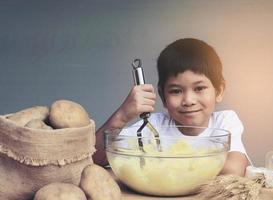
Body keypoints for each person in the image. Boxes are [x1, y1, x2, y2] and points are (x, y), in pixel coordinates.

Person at [93, 38, 249, 176]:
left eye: (199, 88)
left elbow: (233, 169)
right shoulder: (153, 126)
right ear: (163, 97)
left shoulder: (225, 122)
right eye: (176, 91)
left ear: (219, 91)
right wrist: (121, 116)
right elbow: (92, 158)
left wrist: (165, 164)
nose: (188, 100)